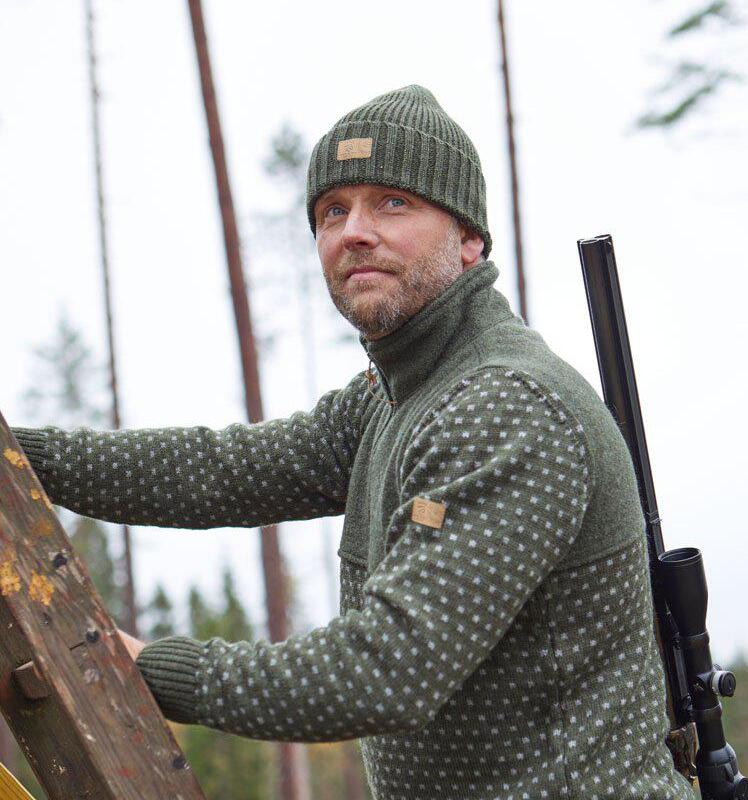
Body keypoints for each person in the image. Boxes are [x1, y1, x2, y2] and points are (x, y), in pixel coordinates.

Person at [12, 85, 694, 800]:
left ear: (469, 238)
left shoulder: (506, 406)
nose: (353, 232)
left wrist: (135, 667)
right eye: (332, 212)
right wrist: (16, 455)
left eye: (392, 202)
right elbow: (217, 471)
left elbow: (385, 670)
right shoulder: (397, 394)